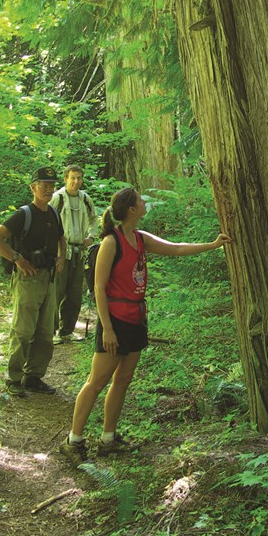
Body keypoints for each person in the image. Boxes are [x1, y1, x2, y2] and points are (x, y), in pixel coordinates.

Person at [59, 186, 231, 463]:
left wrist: (212, 245)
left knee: (123, 381)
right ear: (131, 209)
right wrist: (108, 329)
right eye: (139, 200)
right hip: (114, 320)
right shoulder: (111, 242)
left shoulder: (140, 238)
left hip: (136, 319)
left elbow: (175, 249)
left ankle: (108, 438)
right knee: (97, 381)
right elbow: (100, 289)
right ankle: (74, 440)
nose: (143, 203)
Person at [0, 166, 67, 397]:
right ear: (33, 187)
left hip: (48, 278)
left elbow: (61, 238)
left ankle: (34, 377)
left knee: (45, 331)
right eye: (44, 185)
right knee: (23, 330)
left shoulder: (52, 213)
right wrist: (17, 259)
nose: (48, 189)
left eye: (51, 185)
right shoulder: (24, 214)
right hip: (28, 279)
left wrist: (61, 257)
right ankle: (13, 379)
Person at [50, 164, 98, 343]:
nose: (76, 181)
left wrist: (91, 237)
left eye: (79, 178)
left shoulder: (85, 199)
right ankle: (51, 331)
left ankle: (67, 331)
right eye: (72, 178)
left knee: (74, 293)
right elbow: (48, 220)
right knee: (56, 292)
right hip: (61, 252)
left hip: (79, 252)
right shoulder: (57, 198)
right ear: (65, 179)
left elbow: (94, 219)